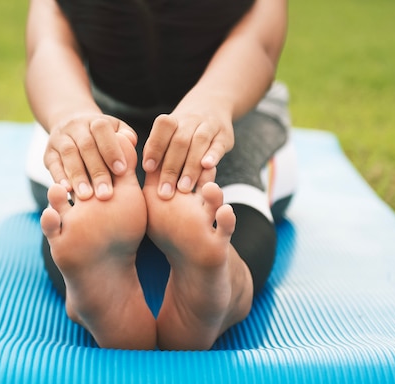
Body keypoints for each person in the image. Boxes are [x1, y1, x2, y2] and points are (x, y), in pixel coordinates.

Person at [24, 0, 297, 350]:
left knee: (84, 193)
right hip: (94, 111)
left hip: (232, 112)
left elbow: (256, 41)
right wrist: (70, 115)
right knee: (80, 184)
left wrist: (214, 102)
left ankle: (228, 286)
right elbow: (49, 47)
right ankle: (94, 288)